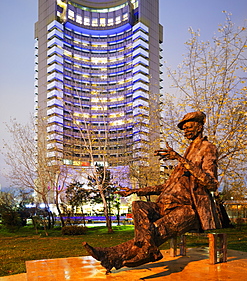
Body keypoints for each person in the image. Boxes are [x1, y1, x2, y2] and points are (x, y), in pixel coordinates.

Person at [83, 111, 223, 273]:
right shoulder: (188, 152)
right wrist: (134, 191)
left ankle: (112, 255)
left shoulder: (208, 148)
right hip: (166, 205)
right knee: (138, 206)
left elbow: (211, 183)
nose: (185, 131)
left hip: (188, 210)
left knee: (154, 229)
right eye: (183, 128)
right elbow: (166, 186)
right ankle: (123, 253)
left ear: (199, 127)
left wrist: (179, 159)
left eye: (188, 127)